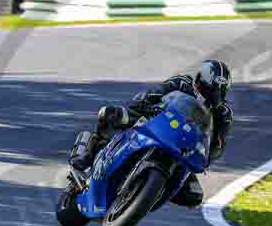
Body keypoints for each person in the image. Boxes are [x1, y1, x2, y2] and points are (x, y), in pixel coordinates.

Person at [67, 60, 233, 208]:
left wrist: (207, 156)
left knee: (194, 195)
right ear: (199, 81)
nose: (212, 95)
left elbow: (217, 145)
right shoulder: (182, 83)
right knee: (110, 114)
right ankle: (88, 154)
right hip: (154, 120)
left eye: (218, 92)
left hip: (183, 150)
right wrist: (145, 102)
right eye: (209, 89)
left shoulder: (223, 114)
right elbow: (157, 91)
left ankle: (150, 193)